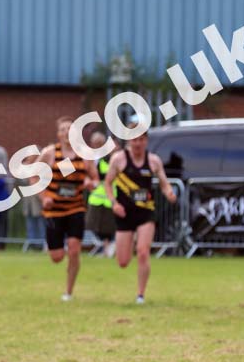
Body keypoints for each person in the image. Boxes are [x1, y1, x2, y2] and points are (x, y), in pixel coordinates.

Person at [104, 125, 176, 304]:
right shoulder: (118, 159)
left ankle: (140, 295)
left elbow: (164, 182)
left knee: (143, 252)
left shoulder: (153, 161)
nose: (138, 143)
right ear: (129, 140)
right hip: (124, 213)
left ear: (146, 141)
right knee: (123, 261)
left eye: (141, 139)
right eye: (134, 139)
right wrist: (114, 203)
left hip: (146, 212)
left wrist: (169, 192)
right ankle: (129, 242)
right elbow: (108, 184)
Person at [38, 116, 99, 301]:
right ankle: (59, 251)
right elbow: (33, 176)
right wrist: (44, 197)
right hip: (54, 210)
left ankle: (69, 292)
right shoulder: (50, 153)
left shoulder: (85, 155)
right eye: (63, 129)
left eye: (70, 129)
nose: (67, 132)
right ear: (58, 134)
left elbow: (95, 178)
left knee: (74, 250)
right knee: (57, 257)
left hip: (75, 209)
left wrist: (91, 183)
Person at [85, 131, 119, 257]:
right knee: (91, 224)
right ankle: (105, 247)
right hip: (96, 197)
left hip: (110, 198)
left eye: (100, 143)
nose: (97, 145)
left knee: (108, 227)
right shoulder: (90, 156)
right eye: (95, 143)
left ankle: (108, 248)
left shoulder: (111, 159)